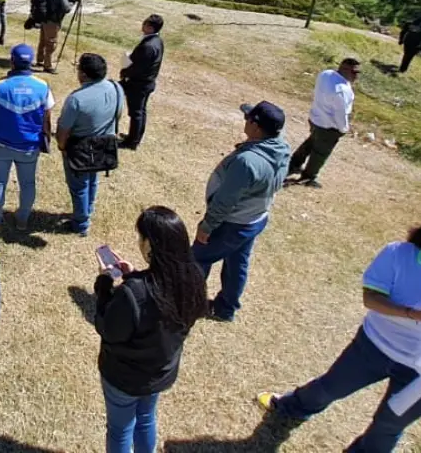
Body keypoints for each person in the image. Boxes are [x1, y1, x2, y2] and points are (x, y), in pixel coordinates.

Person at [258, 208, 421, 453]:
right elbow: (371, 298)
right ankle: (292, 406)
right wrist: (414, 315)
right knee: (331, 387)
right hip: (375, 346)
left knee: (388, 425)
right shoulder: (398, 254)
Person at [92, 206, 207, 453]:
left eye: (141, 237)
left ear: (150, 246)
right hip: (160, 373)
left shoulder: (133, 294)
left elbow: (107, 328)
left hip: (124, 378)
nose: (139, 242)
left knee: (120, 429)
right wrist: (135, 275)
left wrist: (104, 284)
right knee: (146, 418)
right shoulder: (194, 277)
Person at [192, 101, 291, 322]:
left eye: (248, 118)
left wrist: (207, 226)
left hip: (232, 223)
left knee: (197, 259)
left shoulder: (247, 162)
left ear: (256, 127)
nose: (244, 120)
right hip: (255, 218)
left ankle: (187, 302)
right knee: (238, 263)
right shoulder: (281, 148)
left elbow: (226, 200)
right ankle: (226, 308)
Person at [0, 44, 55, 231]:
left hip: (0, 143)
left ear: (12, 62)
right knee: (28, 183)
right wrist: (46, 138)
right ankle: (23, 219)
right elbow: (47, 119)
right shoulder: (43, 86)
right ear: (30, 63)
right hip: (29, 146)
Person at [56, 53, 123, 236]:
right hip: (103, 144)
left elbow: (64, 130)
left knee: (79, 186)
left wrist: (62, 146)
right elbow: (119, 113)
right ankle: (89, 208)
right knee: (93, 178)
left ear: (83, 75)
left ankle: (81, 223)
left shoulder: (76, 99)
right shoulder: (116, 88)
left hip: (80, 148)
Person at [287, 58, 360, 188]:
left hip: (315, 119)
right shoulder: (342, 90)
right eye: (354, 72)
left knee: (311, 142)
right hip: (329, 127)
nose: (357, 76)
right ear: (344, 69)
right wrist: (343, 129)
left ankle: (294, 164)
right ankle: (308, 177)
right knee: (320, 153)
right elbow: (340, 114)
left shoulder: (326, 74)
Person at [119, 15, 165, 150]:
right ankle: (136, 137)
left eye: (145, 24)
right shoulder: (157, 41)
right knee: (141, 111)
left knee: (136, 113)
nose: (142, 25)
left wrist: (125, 72)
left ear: (150, 27)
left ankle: (131, 142)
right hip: (146, 83)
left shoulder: (149, 46)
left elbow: (138, 68)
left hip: (139, 84)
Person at [37, 0, 72, 74]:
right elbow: (67, 9)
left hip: (44, 19)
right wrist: (72, 3)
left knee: (43, 41)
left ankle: (40, 60)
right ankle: (47, 66)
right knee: (51, 43)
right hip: (53, 21)